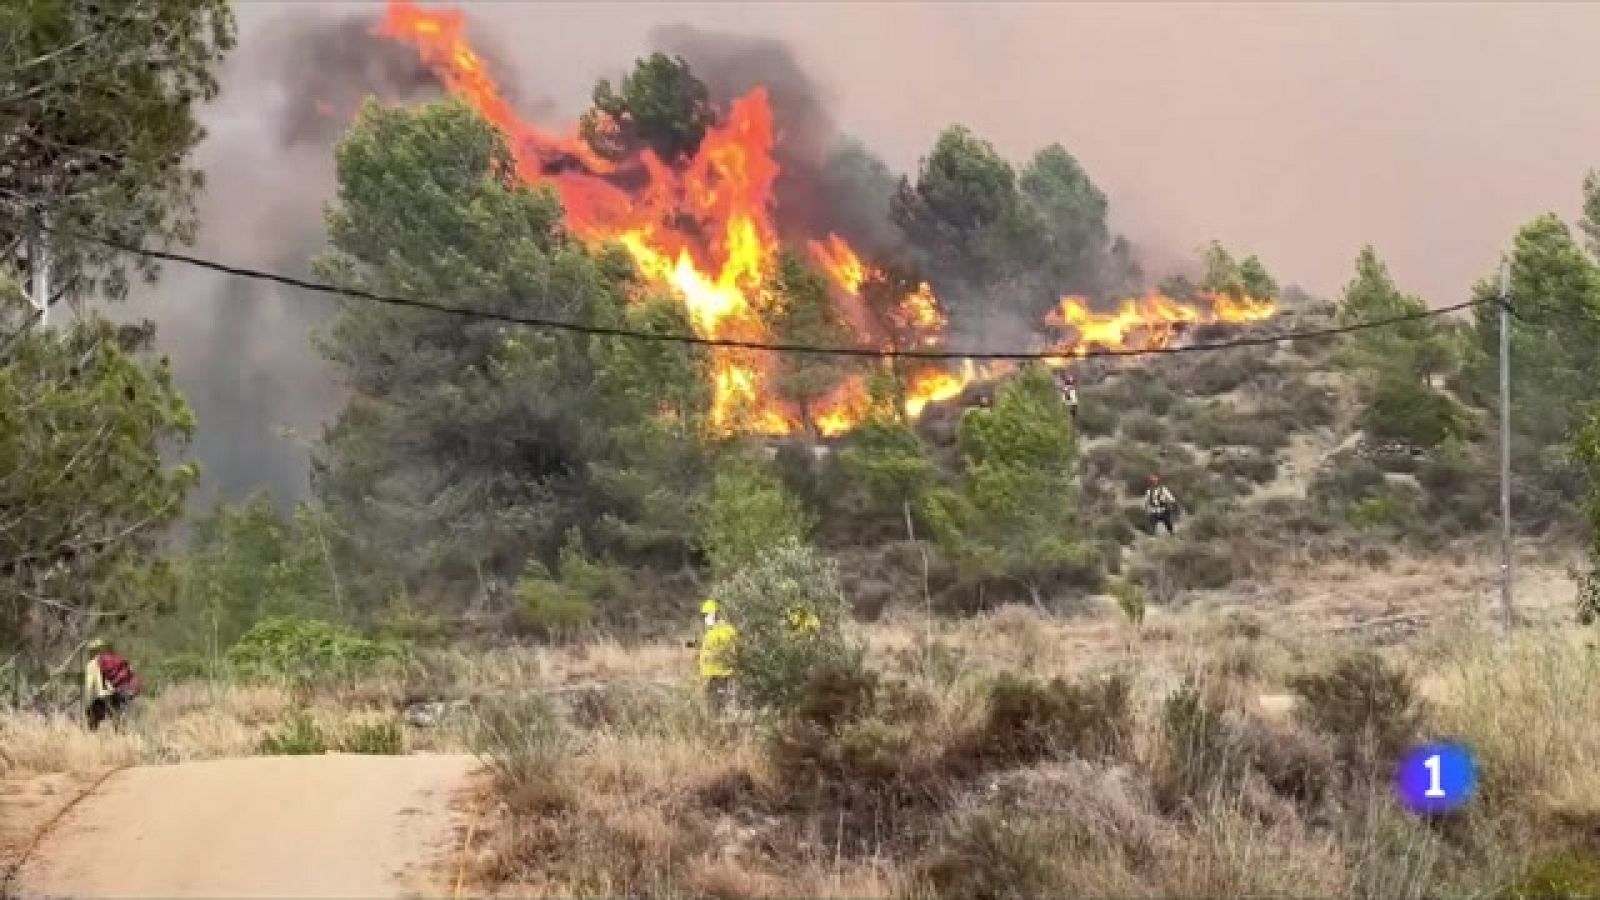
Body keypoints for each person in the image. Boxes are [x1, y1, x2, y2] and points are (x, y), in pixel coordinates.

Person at [84, 638, 140, 731]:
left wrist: (88, 703)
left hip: (102, 696)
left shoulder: (91, 664)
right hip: (117, 691)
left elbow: (89, 686)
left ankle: (92, 739)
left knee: (93, 722)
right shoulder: (113, 659)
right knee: (117, 718)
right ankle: (122, 736)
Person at [697, 599, 737, 712]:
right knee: (712, 706)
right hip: (712, 675)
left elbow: (727, 650)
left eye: (706, 615)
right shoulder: (712, 631)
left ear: (714, 614)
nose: (704, 619)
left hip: (722, 674)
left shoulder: (726, 631)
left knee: (719, 706)